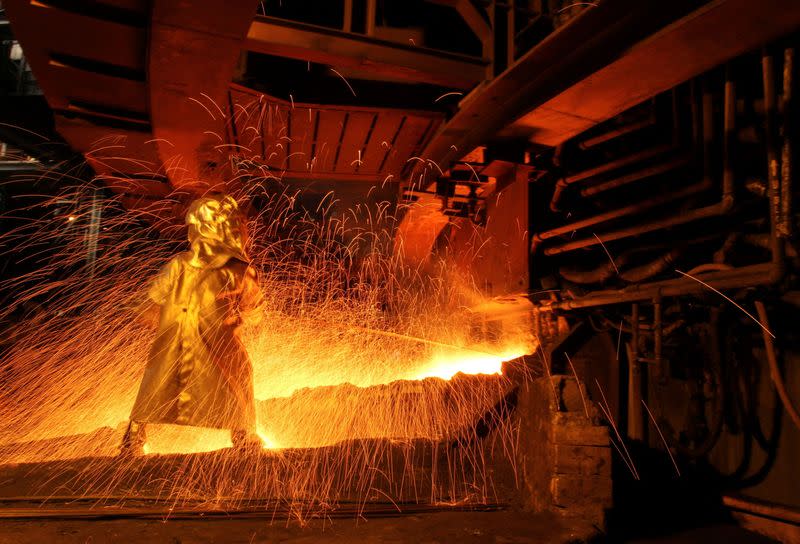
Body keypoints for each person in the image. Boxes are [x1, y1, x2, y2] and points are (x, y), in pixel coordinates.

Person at [120, 194, 264, 456]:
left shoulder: (178, 264)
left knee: (156, 384)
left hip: (174, 341)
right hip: (220, 343)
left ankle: (133, 440)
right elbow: (253, 310)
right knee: (237, 379)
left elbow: (150, 302)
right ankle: (244, 436)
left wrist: (158, 321)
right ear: (231, 229)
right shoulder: (240, 270)